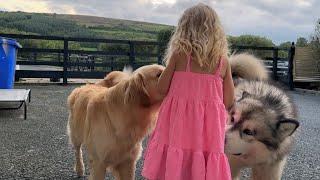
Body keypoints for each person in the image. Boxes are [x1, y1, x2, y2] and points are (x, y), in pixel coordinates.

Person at [142, 3, 234, 180]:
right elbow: (228, 100)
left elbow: (161, 90)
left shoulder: (179, 56)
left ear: (184, 29)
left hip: (178, 123)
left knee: (177, 157)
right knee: (203, 158)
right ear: (216, 31)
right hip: (208, 128)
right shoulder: (222, 63)